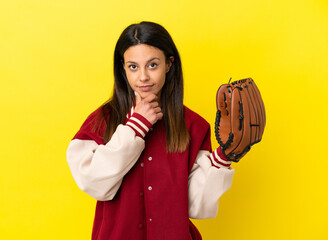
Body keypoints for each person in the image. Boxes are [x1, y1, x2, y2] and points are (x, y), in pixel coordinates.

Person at [66, 21, 235, 240]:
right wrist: (134, 128)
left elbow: (195, 206)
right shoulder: (102, 120)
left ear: (169, 64)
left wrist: (223, 158)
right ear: (123, 68)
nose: (143, 77)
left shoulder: (194, 126)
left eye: (152, 65)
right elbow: (94, 183)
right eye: (133, 66)